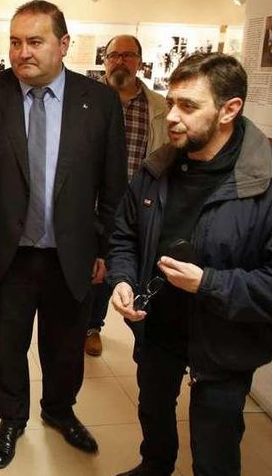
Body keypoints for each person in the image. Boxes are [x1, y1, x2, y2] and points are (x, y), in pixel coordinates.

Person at [107, 52, 272, 476]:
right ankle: (155, 465)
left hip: (227, 341)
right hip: (158, 329)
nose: (171, 116)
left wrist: (209, 284)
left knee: (215, 439)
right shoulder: (158, 167)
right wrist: (122, 278)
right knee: (154, 408)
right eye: (171, 101)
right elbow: (125, 234)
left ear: (230, 109)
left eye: (188, 106)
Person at [0, 0, 127, 469]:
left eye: (35, 41)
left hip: (71, 252)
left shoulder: (98, 103)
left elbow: (113, 185)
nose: (22, 52)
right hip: (3, 252)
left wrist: (105, 248)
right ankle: (11, 417)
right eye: (15, 41)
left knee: (65, 345)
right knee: (3, 343)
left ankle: (59, 410)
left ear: (64, 45)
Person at [84, 34, 169, 357]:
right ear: (104, 60)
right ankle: (89, 325)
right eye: (113, 55)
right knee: (91, 265)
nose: (120, 61)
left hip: (139, 204)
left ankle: (123, 326)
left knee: (127, 264)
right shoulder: (87, 99)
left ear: (139, 61)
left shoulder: (158, 107)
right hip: (93, 202)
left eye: (128, 55)